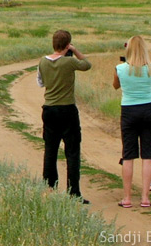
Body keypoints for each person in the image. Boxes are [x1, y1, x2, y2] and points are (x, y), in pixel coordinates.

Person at [37, 29, 92, 203]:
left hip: (49, 109)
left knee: (50, 150)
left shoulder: (42, 62)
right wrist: (75, 51)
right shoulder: (69, 62)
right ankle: (73, 191)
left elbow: (41, 82)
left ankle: (49, 188)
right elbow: (87, 64)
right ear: (67, 45)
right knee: (72, 152)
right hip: (67, 109)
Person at [113, 35, 151, 208]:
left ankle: (127, 197)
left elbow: (116, 86)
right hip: (149, 107)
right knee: (148, 154)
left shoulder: (120, 68)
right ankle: (145, 197)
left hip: (129, 109)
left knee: (128, 155)